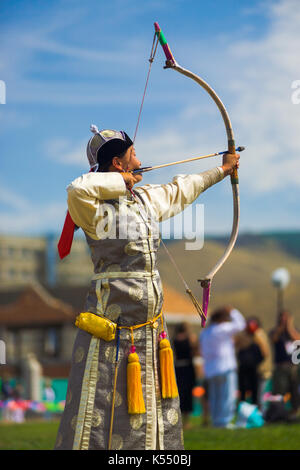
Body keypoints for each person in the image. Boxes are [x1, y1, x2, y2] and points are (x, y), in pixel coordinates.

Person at [54, 126, 239, 450]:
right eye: (133, 155)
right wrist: (117, 182)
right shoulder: (92, 206)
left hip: (150, 331)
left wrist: (222, 170)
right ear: (118, 162)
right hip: (111, 330)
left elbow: (183, 188)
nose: (140, 160)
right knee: (102, 408)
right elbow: (75, 189)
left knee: (151, 415)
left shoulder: (145, 198)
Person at [199, 306, 246, 428]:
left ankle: (216, 420)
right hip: (225, 368)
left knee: (215, 397)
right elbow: (241, 324)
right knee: (227, 396)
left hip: (211, 369)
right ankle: (224, 421)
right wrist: (233, 311)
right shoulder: (222, 329)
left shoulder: (205, 333)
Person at [235, 317, 272, 407]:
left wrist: (257, 338)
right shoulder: (242, 336)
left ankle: (258, 414)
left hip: (259, 371)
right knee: (242, 392)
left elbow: (265, 353)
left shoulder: (260, 336)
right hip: (244, 369)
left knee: (258, 395)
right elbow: (236, 346)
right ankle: (242, 411)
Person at [269, 310, 300, 417]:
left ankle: (294, 410)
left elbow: (297, 339)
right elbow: (273, 339)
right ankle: (278, 410)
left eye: (286, 318)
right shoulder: (276, 331)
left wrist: (289, 326)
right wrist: (282, 327)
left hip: (293, 365)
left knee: (294, 390)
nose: (284, 320)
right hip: (280, 366)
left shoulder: (294, 330)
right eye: (282, 318)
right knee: (279, 389)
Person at [173, 322, 198, 430]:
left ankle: (179, 420)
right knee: (188, 394)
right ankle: (186, 421)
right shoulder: (191, 338)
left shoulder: (174, 339)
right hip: (188, 368)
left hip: (178, 368)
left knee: (179, 393)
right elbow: (196, 352)